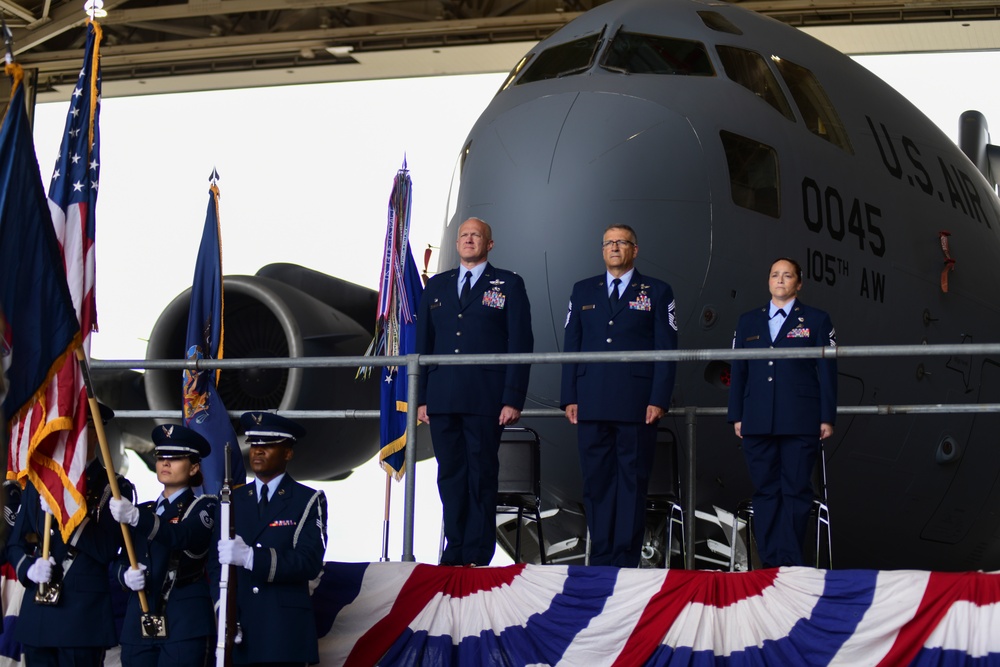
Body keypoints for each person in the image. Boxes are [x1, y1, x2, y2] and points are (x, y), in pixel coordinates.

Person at [416, 217, 533, 567]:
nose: (469, 240)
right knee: (450, 474)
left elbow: (522, 343)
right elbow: (423, 343)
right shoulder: (437, 286)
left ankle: (479, 551)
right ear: (456, 244)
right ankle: (455, 549)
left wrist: (513, 397)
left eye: (476, 236)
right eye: (464, 235)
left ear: (489, 244)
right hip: (442, 396)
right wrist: (421, 397)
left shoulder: (509, 284)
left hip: (486, 396)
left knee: (481, 473)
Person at [561, 224, 678, 567]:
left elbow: (666, 349)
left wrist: (659, 398)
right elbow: (572, 345)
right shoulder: (583, 290)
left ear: (635, 250)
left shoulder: (657, 291)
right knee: (596, 481)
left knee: (631, 481)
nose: (614, 247)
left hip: (637, 402)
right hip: (591, 400)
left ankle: (625, 556)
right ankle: (601, 554)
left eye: (621, 242)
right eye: (609, 243)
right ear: (602, 250)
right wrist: (569, 395)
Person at [727, 257, 837, 568]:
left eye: (787, 275)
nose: (780, 280)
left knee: (796, 489)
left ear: (798, 283)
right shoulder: (748, 321)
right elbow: (740, 370)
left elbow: (828, 371)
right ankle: (771, 561)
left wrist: (826, 417)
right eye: (775, 274)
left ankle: (790, 562)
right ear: (769, 281)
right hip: (758, 419)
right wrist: (737, 414)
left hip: (800, 419)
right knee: (765, 491)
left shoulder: (816, 320)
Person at [7, 403, 133, 666]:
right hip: (39, 614)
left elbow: (106, 549)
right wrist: (28, 569)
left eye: (81, 428)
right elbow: (15, 544)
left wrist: (66, 513)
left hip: (82, 619)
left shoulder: (114, 486)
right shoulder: (38, 482)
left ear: (96, 432)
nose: (72, 435)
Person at [213, 411, 327, 667]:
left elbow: (309, 561)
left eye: (268, 445)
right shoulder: (232, 500)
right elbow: (214, 563)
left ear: (288, 453)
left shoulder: (307, 499)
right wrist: (223, 610)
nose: (257, 451)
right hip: (239, 623)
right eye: (254, 445)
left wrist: (254, 558)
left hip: (283, 631)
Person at [109, 424, 218, 666]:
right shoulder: (144, 509)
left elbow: (181, 536)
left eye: (176, 458)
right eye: (161, 457)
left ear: (194, 468)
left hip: (183, 622)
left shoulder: (204, 507)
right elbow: (116, 558)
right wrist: (123, 575)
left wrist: (138, 518)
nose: (165, 463)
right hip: (140, 620)